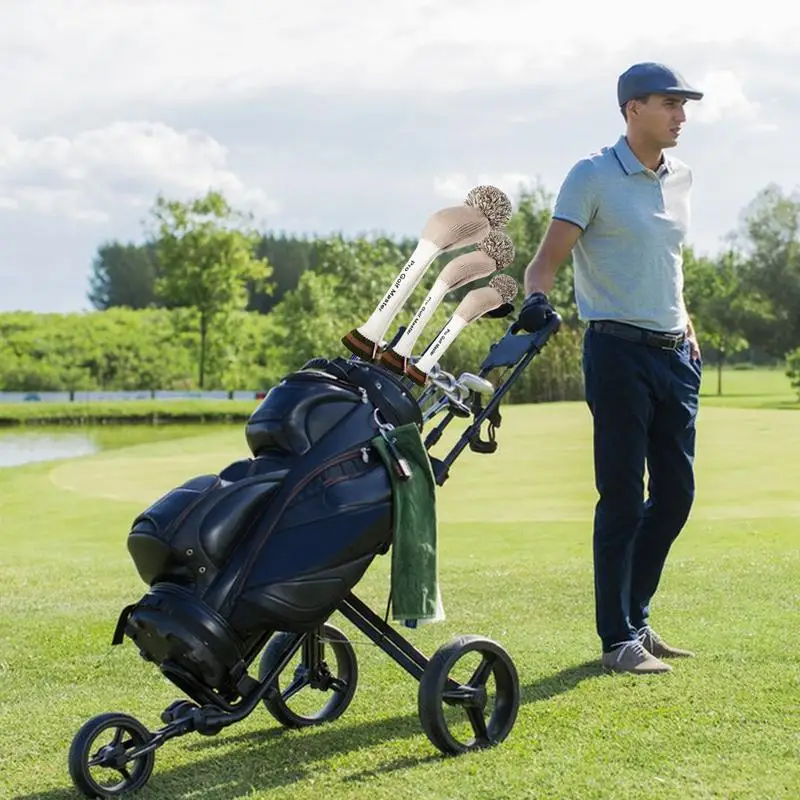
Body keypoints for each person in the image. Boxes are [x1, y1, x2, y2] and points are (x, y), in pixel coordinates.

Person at [519, 62, 705, 675]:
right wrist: (538, 299)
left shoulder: (680, 178)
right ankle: (616, 638)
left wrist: (689, 326)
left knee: (676, 495)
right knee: (623, 496)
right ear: (632, 109)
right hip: (617, 353)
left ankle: (638, 617)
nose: (681, 115)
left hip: (675, 355)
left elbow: (665, 264)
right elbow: (544, 263)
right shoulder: (592, 175)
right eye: (669, 103)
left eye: (684, 105)